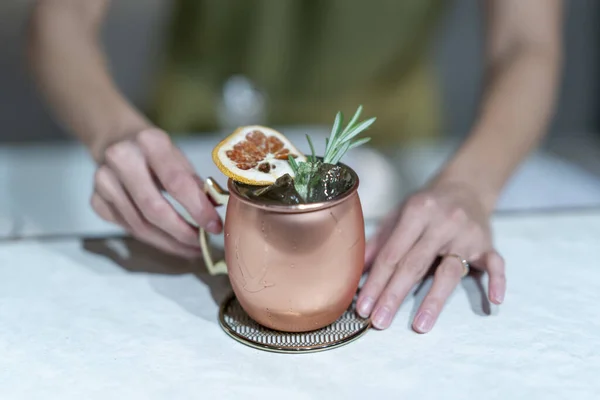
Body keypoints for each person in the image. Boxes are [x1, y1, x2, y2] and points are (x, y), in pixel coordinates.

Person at [27, 0, 563, 333]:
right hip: (190, 150)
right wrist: (111, 130)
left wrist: (471, 183)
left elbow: (527, 40)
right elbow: (60, 15)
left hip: (395, 159)